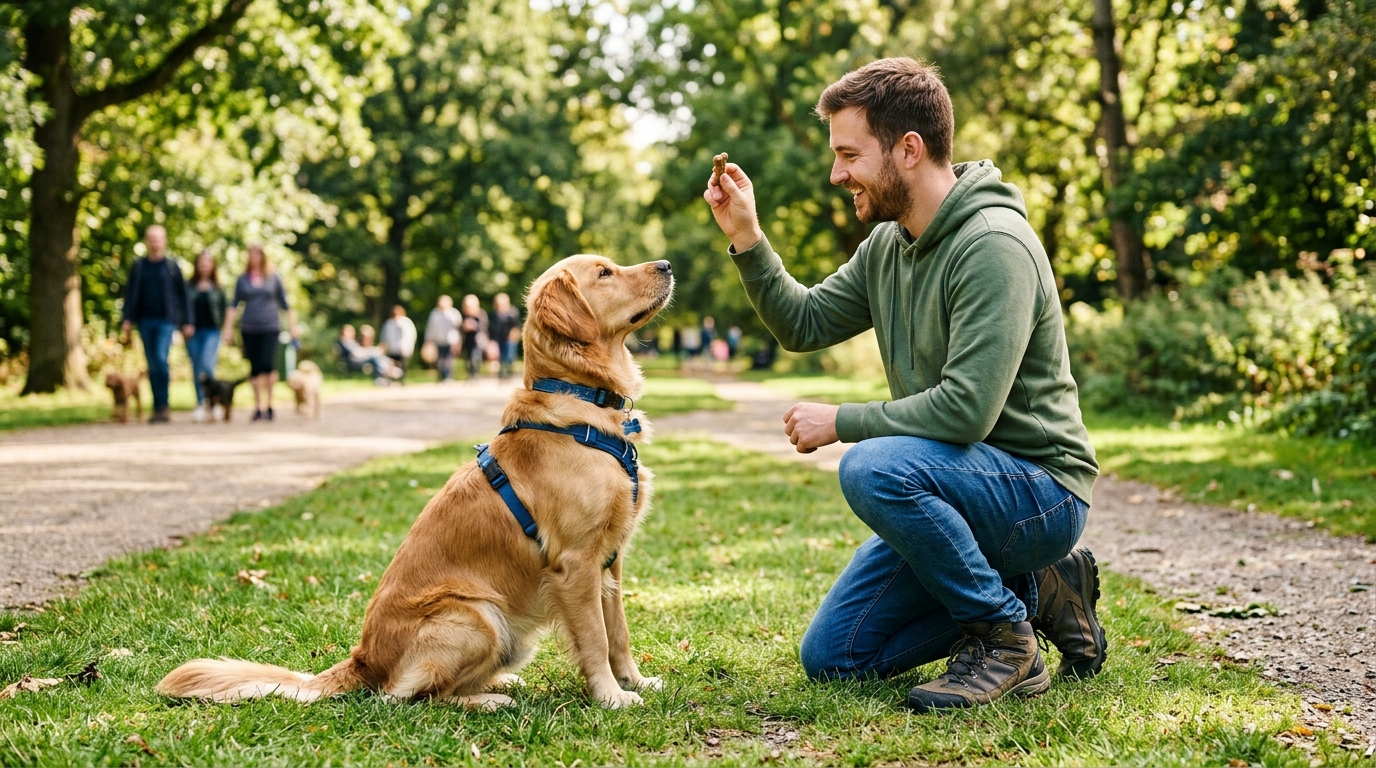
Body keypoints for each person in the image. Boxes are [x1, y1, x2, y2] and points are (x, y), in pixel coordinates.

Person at [705, 57, 1103, 712]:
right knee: (835, 658)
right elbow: (804, 323)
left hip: (1040, 492)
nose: (837, 175)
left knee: (873, 467)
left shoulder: (994, 244)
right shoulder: (890, 245)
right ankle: (1040, 593)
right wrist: (747, 236)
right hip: (961, 485)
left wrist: (843, 420)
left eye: (849, 155)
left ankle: (1006, 642)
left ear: (908, 149)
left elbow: (968, 410)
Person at [121, 225, 188, 424]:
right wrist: (127, 318)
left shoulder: (172, 266)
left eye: (158, 239)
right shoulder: (139, 266)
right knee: (152, 364)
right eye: (151, 239)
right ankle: (157, 407)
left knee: (160, 358)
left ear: (164, 241)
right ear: (146, 241)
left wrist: (186, 322)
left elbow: (183, 296)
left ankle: (163, 405)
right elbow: (131, 294)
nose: (155, 242)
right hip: (145, 320)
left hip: (167, 321)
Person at [222, 244, 297, 421]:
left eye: (257, 255)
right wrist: (228, 329)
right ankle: (257, 407)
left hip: (270, 326)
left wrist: (293, 327)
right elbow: (233, 305)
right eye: (251, 255)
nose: (254, 258)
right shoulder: (243, 279)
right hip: (249, 327)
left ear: (263, 256)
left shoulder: (273, 277)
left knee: (267, 364)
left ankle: (270, 404)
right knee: (254, 367)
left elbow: (285, 304)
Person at [184, 250, 226, 422]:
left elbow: (224, 310)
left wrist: (224, 328)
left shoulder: (217, 288)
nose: (204, 267)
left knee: (207, 366)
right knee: (196, 368)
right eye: (201, 263)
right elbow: (182, 307)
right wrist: (185, 324)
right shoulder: (189, 286)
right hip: (192, 332)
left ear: (212, 265)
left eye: (207, 263)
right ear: (197, 265)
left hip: (212, 331)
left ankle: (213, 403)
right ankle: (201, 403)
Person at [423, 295, 461, 382]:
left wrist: (458, 341)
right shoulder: (434, 314)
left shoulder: (454, 314)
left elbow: (458, 329)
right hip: (438, 340)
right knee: (440, 360)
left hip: (451, 341)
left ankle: (448, 377)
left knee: (449, 360)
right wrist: (428, 341)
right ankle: (442, 377)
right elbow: (430, 328)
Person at [488, 292, 521, 379]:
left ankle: (509, 372)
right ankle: (502, 374)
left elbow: (517, 326)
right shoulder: (494, 314)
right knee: (501, 357)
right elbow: (491, 327)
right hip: (499, 338)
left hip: (509, 338)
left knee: (510, 356)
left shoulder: (513, 312)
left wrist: (514, 336)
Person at [379, 304, 417, 377]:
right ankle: (392, 379)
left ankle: (402, 380)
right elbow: (384, 335)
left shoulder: (406, 322)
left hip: (403, 349)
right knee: (392, 365)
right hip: (392, 349)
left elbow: (411, 335)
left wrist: (409, 346)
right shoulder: (389, 323)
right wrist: (384, 345)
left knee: (403, 365)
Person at [457, 294, 488, 380]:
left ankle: (475, 374)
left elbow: (484, 327)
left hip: (478, 341)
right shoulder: (464, 316)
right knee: (468, 358)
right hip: (467, 340)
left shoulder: (481, 314)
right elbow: (460, 328)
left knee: (476, 358)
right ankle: (470, 375)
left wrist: (473, 326)